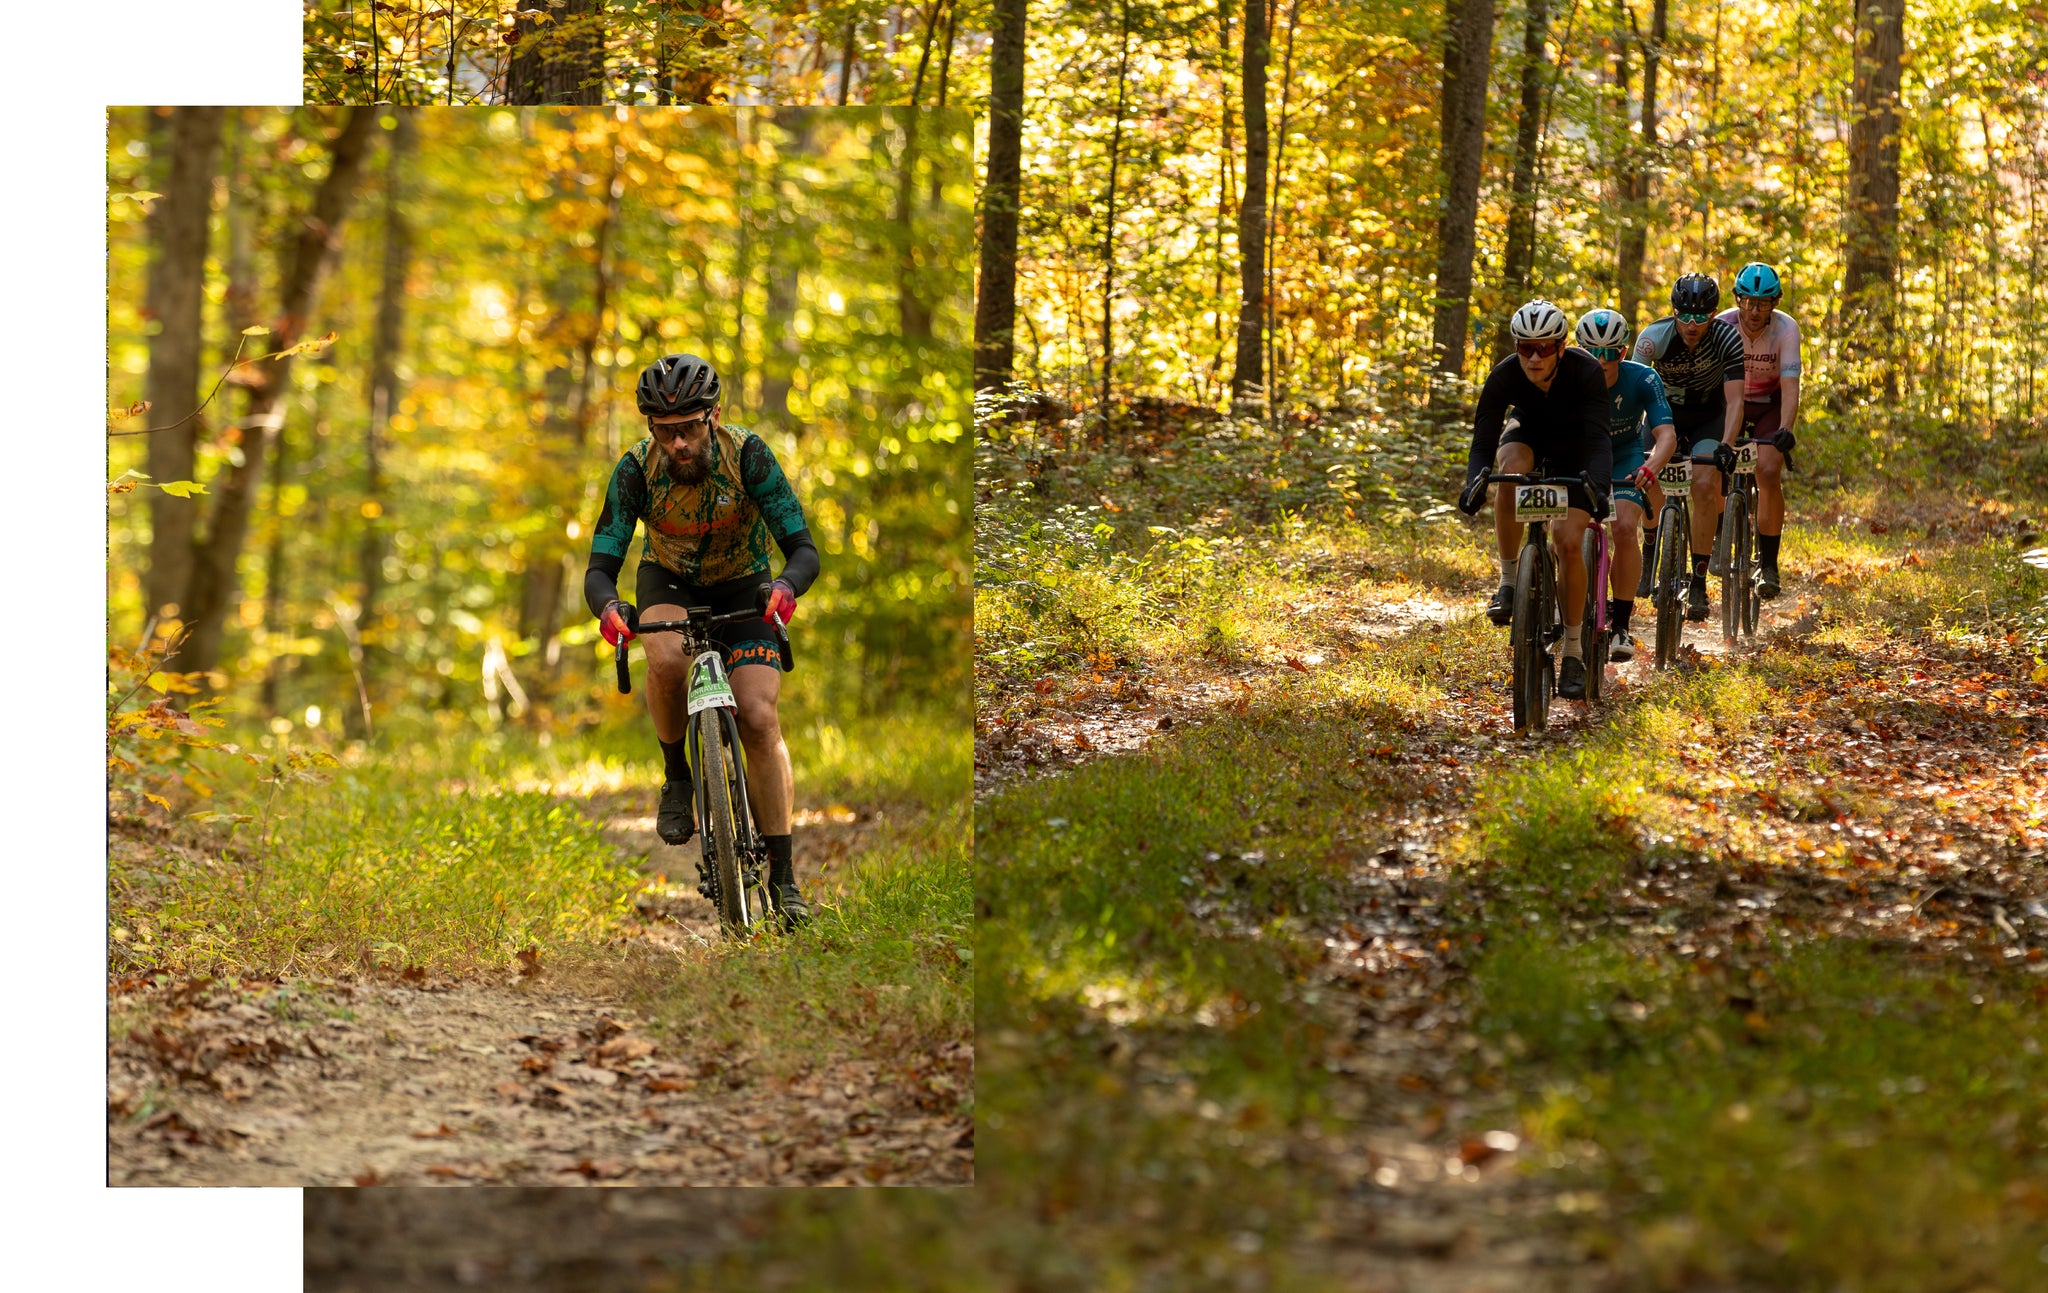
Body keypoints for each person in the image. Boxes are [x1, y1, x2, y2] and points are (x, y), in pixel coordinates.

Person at [583, 354, 822, 926]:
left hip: (746, 585)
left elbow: (804, 549)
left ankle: (784, 880)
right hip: (669, 580)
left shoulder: (750, 456)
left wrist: (787, 587)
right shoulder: (636, 470)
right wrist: (610, 608)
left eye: (689, 428)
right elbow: (599, 568)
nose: (679, 443)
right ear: (650, 430)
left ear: (714, 416)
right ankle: (678, 776)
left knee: (760, 718)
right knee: (663, 656)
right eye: (666, 432)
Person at [1457, 299, 1613, 701]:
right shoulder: (1504, 376)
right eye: (1525, 347)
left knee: (1565, 541)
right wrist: (1476, 481)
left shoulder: (1586, 372)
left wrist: (1596, 485)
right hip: (1529, 436)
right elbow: (1484, 439)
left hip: (1576, 450)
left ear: (1561, 346)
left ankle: (1575, 651)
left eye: (1544, 347)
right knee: (1508, 469)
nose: (1534, 356)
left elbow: (1599, 440)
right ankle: (1509, 581)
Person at [1632, 274, 1746, 620]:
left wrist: (1727, 444)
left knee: (1704, 484)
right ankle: (1651, 546)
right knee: (1646, 475)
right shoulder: (1653, 339)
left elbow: (1736, 398)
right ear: (1673, 311)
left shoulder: (1728, 338)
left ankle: (1698, 581)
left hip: (1709, 417)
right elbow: (1634, 392)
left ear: (1714, 314)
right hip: (1663, 415)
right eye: (1685, 315)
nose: (1692, 324)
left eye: (1701, 316)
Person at [1574, 308, 1675, 663]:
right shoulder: (1564, 378)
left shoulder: (1643, 379)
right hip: (1582, 456)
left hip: (1626, 456)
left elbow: (1666, 436)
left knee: (1625, 526)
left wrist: (1651, 467)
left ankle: (1621, 623)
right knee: (1563, 531)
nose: (1602, 361)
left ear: (1623, 351)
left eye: (1611, 352)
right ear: (1579, 350)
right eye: (1592, 352)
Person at [1718, 262, 1802, 600]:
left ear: (1775, 303)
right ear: (1738, 299)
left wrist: (1785, 429)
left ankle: (1769, 563)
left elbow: (1791, 384)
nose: (1754, 310)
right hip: (1728, 401)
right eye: (1748, 301)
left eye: (1764, 303)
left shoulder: (1786, 329)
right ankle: (1720, 533)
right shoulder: (1722, 324)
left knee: (1767, 470)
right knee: (1715, 463)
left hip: (1769, 403)